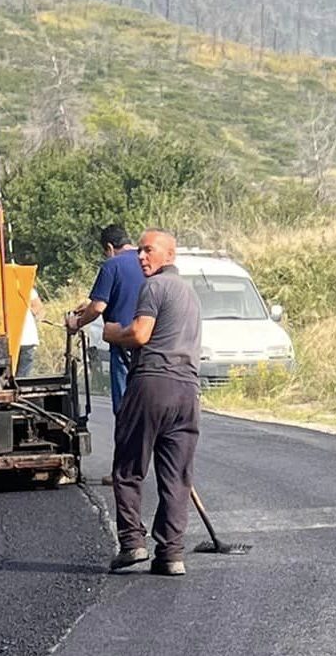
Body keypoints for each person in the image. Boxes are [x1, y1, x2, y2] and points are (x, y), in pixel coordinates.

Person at [102, 229, 202, 577]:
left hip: (152, 384)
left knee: (128, 468)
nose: (141, 257)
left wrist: (112, 332)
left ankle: (132, 544)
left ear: (169, 256)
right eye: (140, 251)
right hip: (187, 391)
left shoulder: (155, 287)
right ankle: (171, 554)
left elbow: (140, 335)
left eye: (148, 251)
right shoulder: (190, 294)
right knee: (176, 477)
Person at [67, 225, 144, 416]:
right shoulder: (147, 261)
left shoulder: (112, 265)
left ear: (109, 247)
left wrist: (76, 323)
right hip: (150, 342)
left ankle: (127, 443)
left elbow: (97, 307)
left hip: (123, 342)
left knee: (125, 407)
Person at [16, 287, 43, 377]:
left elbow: (37, 306)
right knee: (22, 376)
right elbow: (38, 307)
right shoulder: (25, 287)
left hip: (25, 338)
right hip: (27, 339)